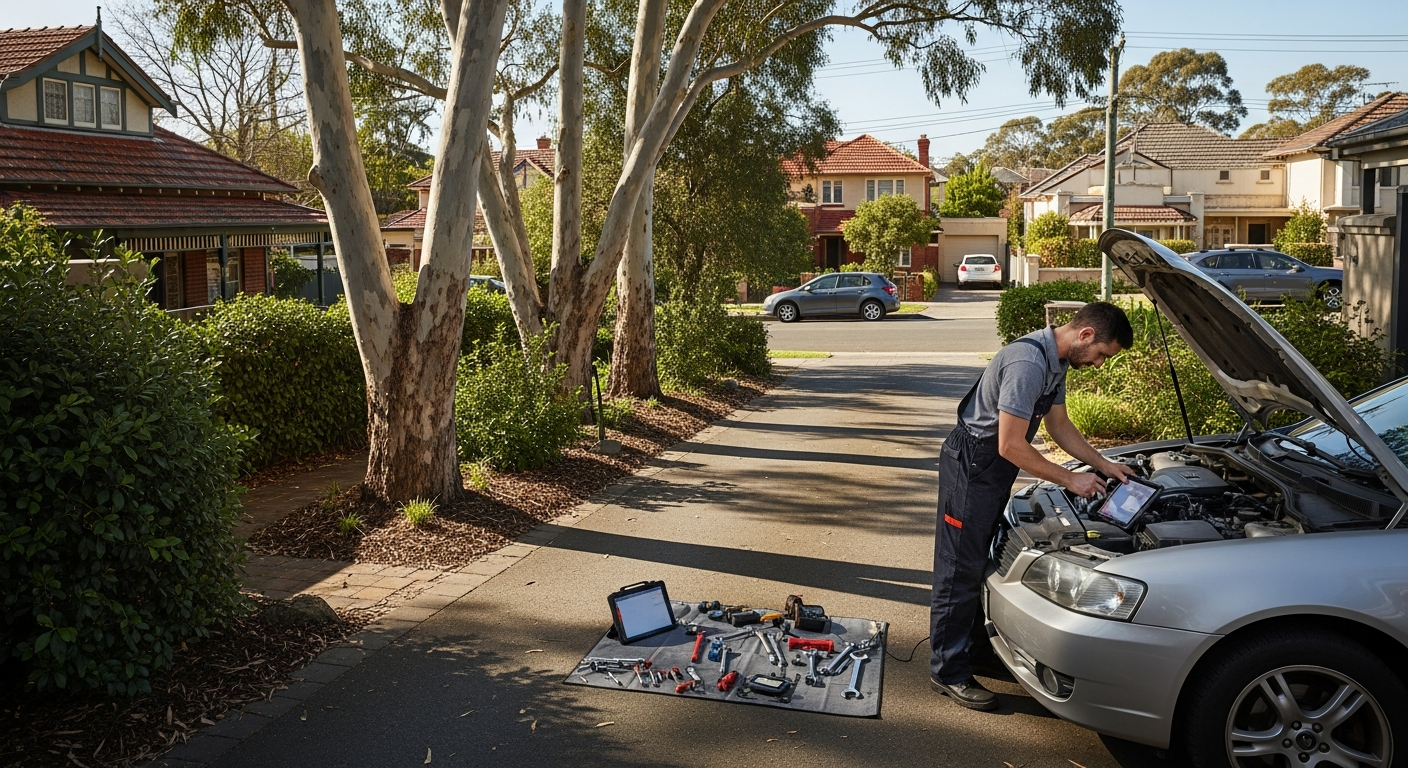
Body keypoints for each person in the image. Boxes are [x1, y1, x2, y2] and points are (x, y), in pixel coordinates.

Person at [930, 301, 1135, 711]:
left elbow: (1059, 426)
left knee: (981, 559)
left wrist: (1103, 464)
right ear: (1086, 335)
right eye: (1101, 355)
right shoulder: (1027, 362)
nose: (1098, 364)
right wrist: (1069, 479)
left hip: (992, 466)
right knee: (959, 568)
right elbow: (1010, 444)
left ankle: (971, 652)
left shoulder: (1056, 362)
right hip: (974, 463)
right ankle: (947, 670)